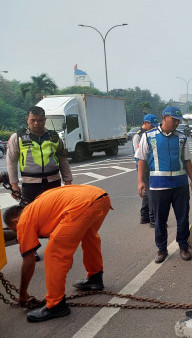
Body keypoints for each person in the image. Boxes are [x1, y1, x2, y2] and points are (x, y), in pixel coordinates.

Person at [2, 185, 112, 322]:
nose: (18, 233)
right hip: (100, 197)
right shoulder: (37, 207)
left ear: (15, 221)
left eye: (15, 230)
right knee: (89, 237)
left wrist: (23, 293)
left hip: (82, 204)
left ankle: (56, 304)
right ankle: (95, 278)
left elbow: (28, 261)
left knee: (53, 253)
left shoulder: (24, 219)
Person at [6, 106, 73, 261]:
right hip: (30, 184)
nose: (36, 123)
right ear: (27, 120)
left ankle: (55, 244)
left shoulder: (54, 137)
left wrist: (68, 180)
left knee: (56, 215)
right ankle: (31, 248)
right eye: (33, 120)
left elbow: (63, 159)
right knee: (28, 218)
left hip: (53, 181)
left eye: (40, 120)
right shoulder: (19, 137)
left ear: (45, 120)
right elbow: (11, 161)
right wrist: (14, 184)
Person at [135, 106, 192, 264]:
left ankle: (183, 246)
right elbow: (141, 159)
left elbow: (187, 160)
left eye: (178, 121)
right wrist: (141, 181)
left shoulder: (182, 138)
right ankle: (161, 249)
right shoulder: (149, 136)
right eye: (173, 120)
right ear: (164, 118)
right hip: (158, 186)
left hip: (180, 185)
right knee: (159, 220)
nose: (176, 123)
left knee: (182, 218)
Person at [132, 114, 159, 227]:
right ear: (146, 123)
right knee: (151, 192)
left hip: (152, 166)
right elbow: (140, 156)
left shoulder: (152, 134)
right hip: (144, 167)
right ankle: (153, 219)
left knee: (148, 193)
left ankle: (145, 216)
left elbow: (154, 148)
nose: (154, 128)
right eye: (152, 125)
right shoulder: (138, 136)